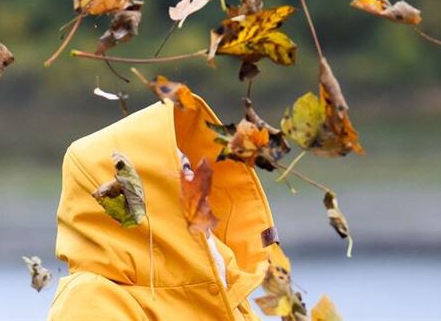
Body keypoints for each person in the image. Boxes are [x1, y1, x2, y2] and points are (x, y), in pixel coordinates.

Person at [47, 94, 278, 320]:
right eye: (182, 168)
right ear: (144, 189)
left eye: (190, 165)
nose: (199, 178)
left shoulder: (226, 287)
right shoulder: (91, 299)